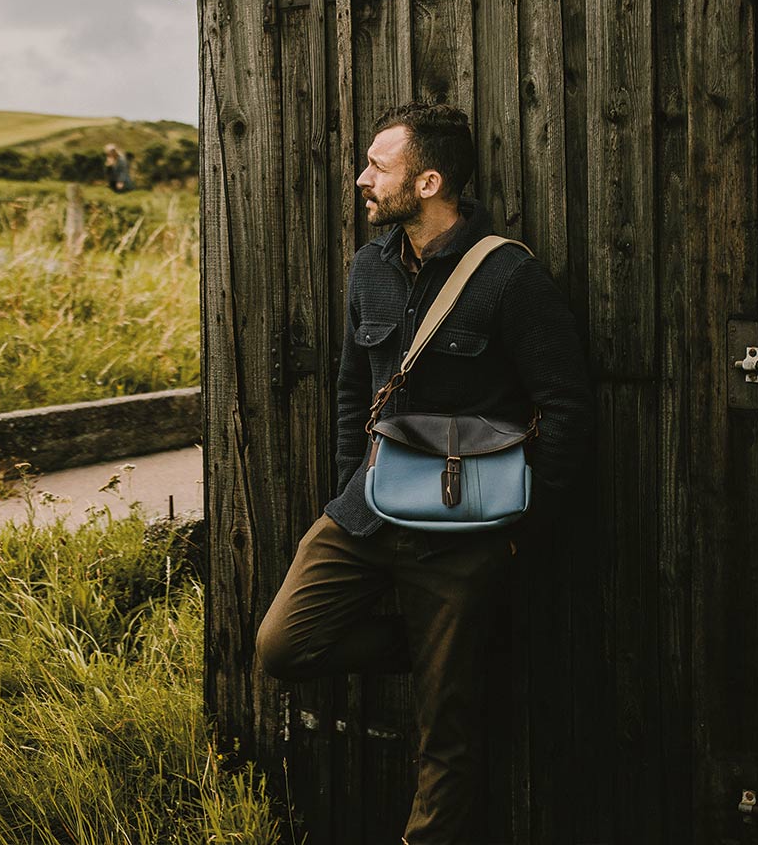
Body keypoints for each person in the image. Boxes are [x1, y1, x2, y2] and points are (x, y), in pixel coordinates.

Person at [254, 103, 592, 843]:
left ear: (429, 180)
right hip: (366, 517)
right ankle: (449, 643)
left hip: (464, 540)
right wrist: (351, 485)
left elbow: (565, 409)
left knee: (448, 733)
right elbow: (353, 389)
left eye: (379, 166)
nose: (361, 180)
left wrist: (518, 532)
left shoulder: (509, 278)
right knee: (283, 646)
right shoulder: (368, 269)